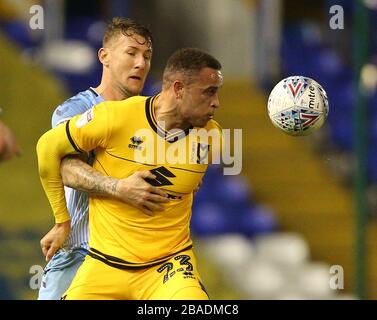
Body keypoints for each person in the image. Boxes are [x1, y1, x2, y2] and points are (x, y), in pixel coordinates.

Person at [37, 47, 223, 299]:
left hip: (168, 268)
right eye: (209, 92)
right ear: (178, 88)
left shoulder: (212, 137)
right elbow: (47, 148)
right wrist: (62, 221)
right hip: (105, 265)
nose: (216, 102)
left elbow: (187, 180)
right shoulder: (116, 117)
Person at [37, 17, 169, 300]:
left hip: (135, 261)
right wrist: (118, 188)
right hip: (81, 255)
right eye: (131, 53)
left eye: (147, 56)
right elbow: (66, 168)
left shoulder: (151, 118)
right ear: (104, 56)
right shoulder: (76, 110)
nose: (141, 63)